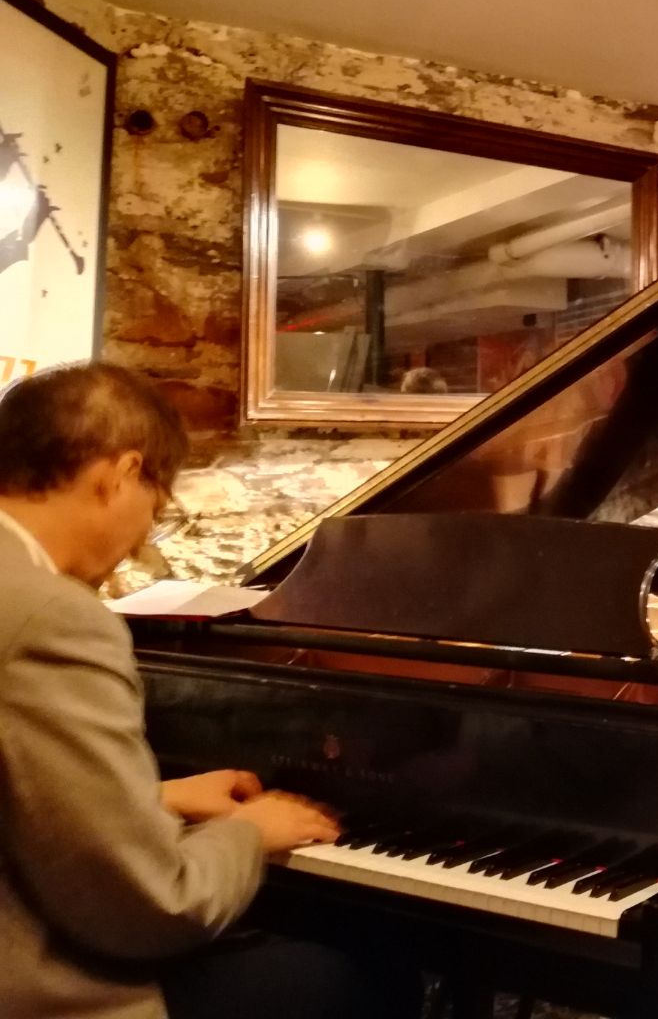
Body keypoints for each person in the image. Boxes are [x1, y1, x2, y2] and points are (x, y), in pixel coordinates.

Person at [0, 362, 379, 1019]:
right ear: (120, 475)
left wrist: (154, 798)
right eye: (155, 505)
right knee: (346, 977)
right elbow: (151, 907)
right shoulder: (53, 618)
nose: (141, 541)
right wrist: (249, 833)